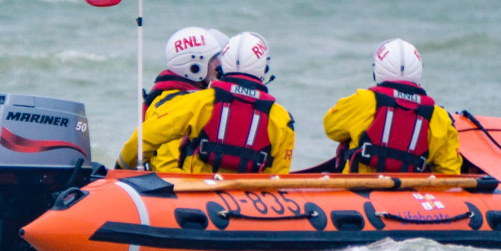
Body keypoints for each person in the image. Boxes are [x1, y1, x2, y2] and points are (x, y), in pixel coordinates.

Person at [141, 32, 295, 175]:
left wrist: (121, 165)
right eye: (214, 59)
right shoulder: (282, 119)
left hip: (196, 191)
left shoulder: (199, 102)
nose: (217, 65)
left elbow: (144, 140)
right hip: (233, 196)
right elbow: (277, 179)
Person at [323, 39, 461, 174]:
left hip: (358, 190)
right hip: (411, 193)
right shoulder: (439, 117)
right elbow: (450, 172)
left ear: (376, 71)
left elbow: (331, 127)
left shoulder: (363, 101)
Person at [116, 27, 229, 169]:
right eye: (214, 59)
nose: (219, 64)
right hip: (174, 186)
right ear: (194, 66)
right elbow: (167, 166)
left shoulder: (176, 97)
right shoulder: (177, 104)